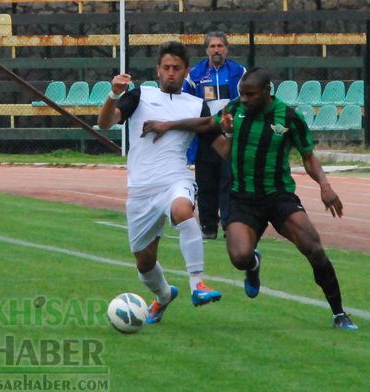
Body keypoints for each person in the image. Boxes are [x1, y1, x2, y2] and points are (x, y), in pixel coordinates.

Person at [142, 68, 358, 330]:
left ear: (267, 91)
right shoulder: (234, 109)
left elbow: (308, 156)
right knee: (239, 257)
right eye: (242, 94)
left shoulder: (288, 116)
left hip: (279, 197)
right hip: (243, 198)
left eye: (250, 95)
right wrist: (167, 125)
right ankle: (253, 265)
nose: (243, 99)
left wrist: (325, 185)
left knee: (314, 248)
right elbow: (205, 124)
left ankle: (339, 313)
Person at [97, 41, 225, 324]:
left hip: (175, 180)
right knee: (144, 262)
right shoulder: (141, 95)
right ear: (157, 70)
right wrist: (113, 95)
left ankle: (198, 283)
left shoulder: (196, 105)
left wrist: (237, 135)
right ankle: (164, 295)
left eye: (176, 69)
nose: (171, 73)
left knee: (183, 211)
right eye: (166, 67)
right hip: (141, 190)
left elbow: (220, 146)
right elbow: (106, 122)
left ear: (186, 72)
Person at [184, 31, 245, 240]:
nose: (217, 50)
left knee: (229, 180)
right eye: (213, 46)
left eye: (220, 46)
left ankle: (230, 225)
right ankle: (208, 227)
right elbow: (187, 101)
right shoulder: (195, 74)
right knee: (206, 181)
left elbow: (244, 99)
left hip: (229, 132)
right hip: (205, 134)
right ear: (206, 50)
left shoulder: (238, 71)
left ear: (226, 48)